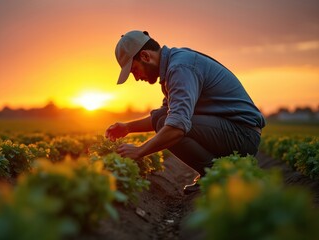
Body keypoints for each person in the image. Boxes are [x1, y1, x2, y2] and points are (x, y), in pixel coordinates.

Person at [105, 30, 266, 194]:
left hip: (243, 134)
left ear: (145, 56)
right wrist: (128, 127)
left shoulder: (180, 68)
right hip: (234, 131)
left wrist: (139, 151)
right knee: (163, 118)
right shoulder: (174, 64)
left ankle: (218, 174)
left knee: (167, 124)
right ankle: (215, 172)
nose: (137, 78)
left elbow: (177, 126)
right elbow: (164, 112)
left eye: (134, 70)